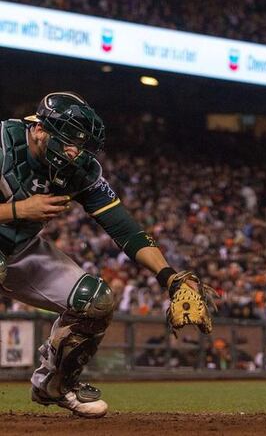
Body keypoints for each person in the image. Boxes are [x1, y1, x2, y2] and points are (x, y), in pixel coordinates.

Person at [0, 92, 211, 418]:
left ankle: (56, 384)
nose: (74, 152)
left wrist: (170, 278)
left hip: (21, 250)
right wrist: (19, 209)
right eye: (68, 141)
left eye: (80, 145)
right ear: (40, 129)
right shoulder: (2, 142)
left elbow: (124, 228)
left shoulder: (79, 169)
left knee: (95, 301)